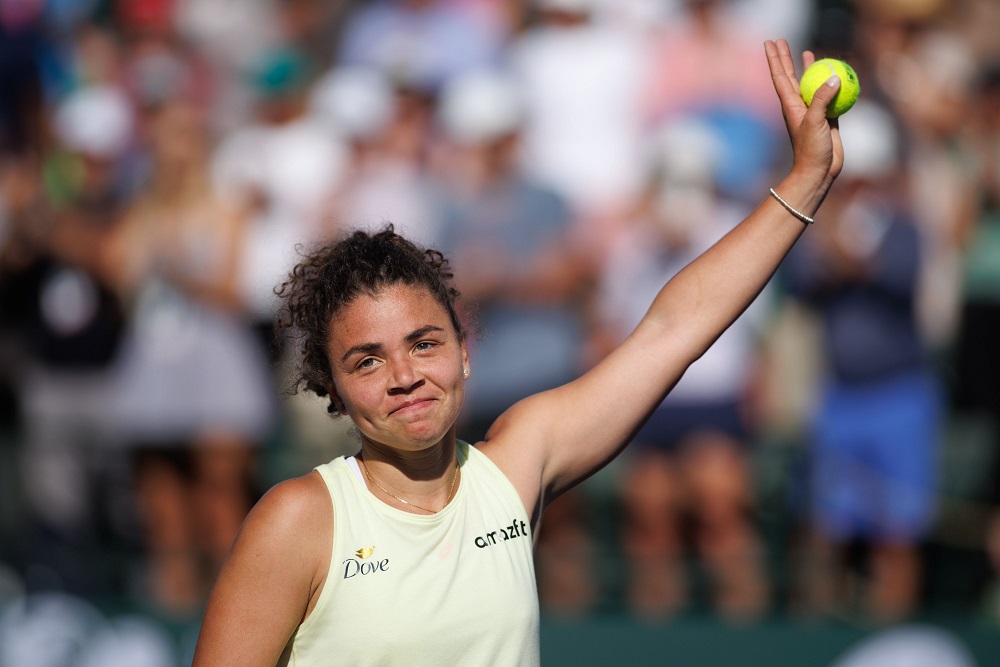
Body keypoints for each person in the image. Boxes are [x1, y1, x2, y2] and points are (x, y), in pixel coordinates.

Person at [192, 39, 844, 665]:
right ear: (331, 388)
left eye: (424, 343)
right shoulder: (297, 521)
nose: (405, 375)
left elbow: (674, 327)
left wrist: (807, 181)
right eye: (366, 360)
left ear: (464, 349)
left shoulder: (512, 471)